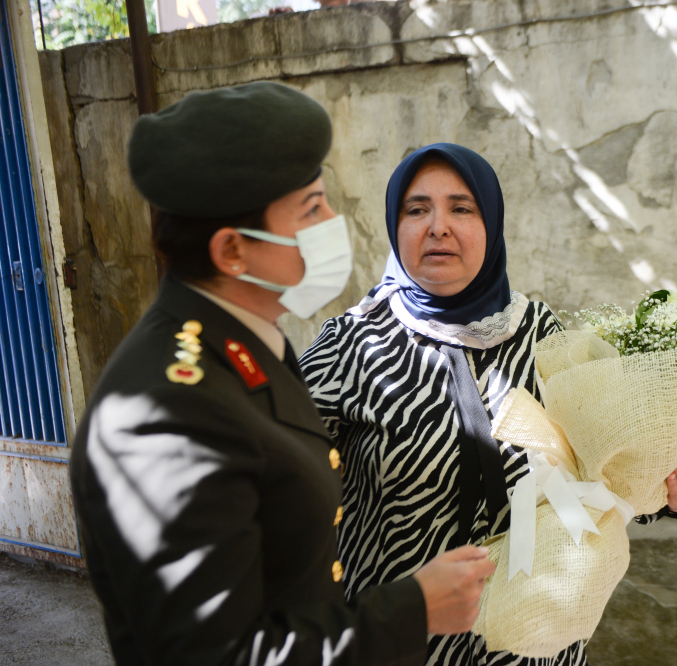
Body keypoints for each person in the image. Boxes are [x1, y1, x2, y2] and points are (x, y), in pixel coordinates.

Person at [69, 86, 494, 666]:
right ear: (233, 251)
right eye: (312, 209)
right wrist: (414, 610)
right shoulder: (168, 412)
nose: (333, 222)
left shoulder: (248, 343)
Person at [299, 143, 677, 666]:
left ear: (492, 224)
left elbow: (604, 475)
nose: (438, 225)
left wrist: (670, 495)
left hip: (534, 650)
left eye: (462, 208)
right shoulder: (351, 347)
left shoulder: (543, 336)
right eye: (417, 209)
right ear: (396, 228)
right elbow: (279, 499)